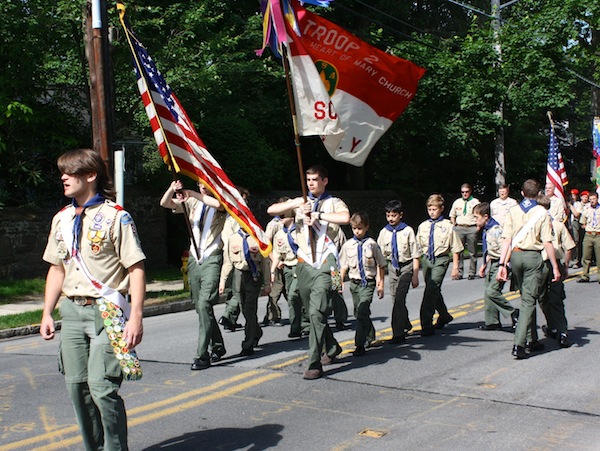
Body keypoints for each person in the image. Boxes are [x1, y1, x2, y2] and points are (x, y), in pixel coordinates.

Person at [40, 148, 146, 450]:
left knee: (102, 389)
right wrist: (47, 312)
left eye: (70, 172)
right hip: (72, 311)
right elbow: (56, 269)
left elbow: (136, 269)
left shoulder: (116, 217)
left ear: (90, 175)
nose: (63, 177)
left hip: (108, 310)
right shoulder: (61, 219)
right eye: (63, 172)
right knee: (76, 388)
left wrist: (136, 317)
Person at [267, 165, 350, 380]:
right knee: (313, 312)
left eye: (315, 179)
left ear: (325, 181)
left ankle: (314, 362)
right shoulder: (300, 201)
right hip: (304, 261)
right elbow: (271, 210)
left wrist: (318, 214)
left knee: (316, 312)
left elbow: (345, 218)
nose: (311, 183)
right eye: (308, 179)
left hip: (325, 260)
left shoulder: (334, 202)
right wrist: (296, 204)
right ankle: (331, 347)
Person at [160, 179, 227, 370]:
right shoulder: (192, 203)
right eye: (200, 185)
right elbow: (166, 203)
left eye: (206, 184)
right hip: (195, 258)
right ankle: (218, 345)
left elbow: (219, 205)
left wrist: (193, 193)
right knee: (200, 307)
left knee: (205, 303)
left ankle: (202, 355)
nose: (203, 187)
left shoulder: (219, 201)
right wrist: (171, 189)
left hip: (212, 257)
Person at [497, 179, 561, 360]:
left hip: (515, 256)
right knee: (528, 301)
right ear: (538, 194)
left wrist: (502, 264)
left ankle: (532, 338)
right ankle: (519, 344)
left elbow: (506, 240)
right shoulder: (542, 212)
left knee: (526, 296)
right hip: (533, 256)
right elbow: (547, 242)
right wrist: (555, 266)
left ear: (522, 193)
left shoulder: (513, 210)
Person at [339, 212, 386, 356]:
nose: (357, 231)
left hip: (368, 283)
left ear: (367, 227)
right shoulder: (348, 245)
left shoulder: (372, 244)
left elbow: (381, 264)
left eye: (360, 228)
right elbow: (342, 266)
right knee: (359, 312)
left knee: (362, 311)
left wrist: (381, 283)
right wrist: (338, 282)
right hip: (354, 284)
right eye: (354, 228)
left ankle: (359, 344)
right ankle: (370, 335)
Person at [219, 227, 271, 356]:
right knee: (243, 309)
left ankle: (248, 345)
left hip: (253, 276)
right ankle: (256, 332)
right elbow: (227, 262)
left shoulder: (258, 237)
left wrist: (267, 283)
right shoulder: (233, 238)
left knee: (249, 309)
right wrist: (222, 281)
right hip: (238, 275)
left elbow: (265, 262)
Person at [416, 194, 463, 336]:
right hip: (427, 260)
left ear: (441, 209)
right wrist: (416, 268)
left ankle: (426, 324)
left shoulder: (448, 226)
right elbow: (417, 248)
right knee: (434, 290)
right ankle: (444, 315)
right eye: (429, 209)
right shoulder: (423, 226)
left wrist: (455, 267)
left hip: (441, 259)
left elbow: (456, 248)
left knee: (431, 290)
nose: (431, 212)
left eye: (434, 209)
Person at [376, 200, 420, 343]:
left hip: (406, 267)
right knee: (396, 300)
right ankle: (405, 323)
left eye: (394, 215)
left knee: (399, 299)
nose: (390, 218)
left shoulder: (408, 231)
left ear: (401, 215)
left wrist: (415, 275)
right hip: (392, 268)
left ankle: (398, 333)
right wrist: (380, 280)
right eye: (388, 215)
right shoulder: (384, 233)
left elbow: (415, 254)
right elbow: (379, 258)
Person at [537, 195, 575, 348]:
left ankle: (559, 329)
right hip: (554, 264)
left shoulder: (535, 224)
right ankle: (558, 328)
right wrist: (565, 265)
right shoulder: (558, 224)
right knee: (554, 298)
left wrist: (564, 266)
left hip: (542, 264)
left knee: (545, 297)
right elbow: (570, 247)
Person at [473, 202, 517, 330]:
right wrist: (484, 265)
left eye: (476, 217)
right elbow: (491, 250)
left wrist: (504, 266)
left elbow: (506, 248)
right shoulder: (487, 230)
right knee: (488, 292)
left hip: (501, 263)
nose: (475, 220)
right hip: (493, 262)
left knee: (493, 291)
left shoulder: (497, 230)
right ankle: (492, 321)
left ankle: (514, 313)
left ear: (485, 216)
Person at [269, 212, 309, 338]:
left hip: (300, 266)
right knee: (293, 299)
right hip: (287, 268)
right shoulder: (279, 234)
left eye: (283, 216)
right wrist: (272, 270)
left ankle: (305, 324)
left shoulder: (300, 231)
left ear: (292, 216)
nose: (280, 218)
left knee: (294, 295)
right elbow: (277, 254)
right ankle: (296, 327)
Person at [218, 186, 250, 331]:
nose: (245, 202)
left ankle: (231, 319)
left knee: (234, 287)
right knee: (240, 288)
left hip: (231, 252)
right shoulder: (235, 216)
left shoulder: (231, 214)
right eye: (242, 198)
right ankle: (228, 315)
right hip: (236, 254)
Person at [449, 183, 480, 279]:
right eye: (463, 192)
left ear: (470, 191)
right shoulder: (457, 202)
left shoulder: (475, 202)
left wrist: (477, 227)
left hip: (471, 228)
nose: (465, 194)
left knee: (472, 252)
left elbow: (480, 216)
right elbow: (452, 215)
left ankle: (472, 272)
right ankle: (459, 272)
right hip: (460, 228)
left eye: (466, 192)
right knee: (458, 251)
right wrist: (454, 225)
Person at [577, 191, 600, 283]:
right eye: (590, 199)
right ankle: (585, 275)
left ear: (597, 199)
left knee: (599, 257)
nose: (592, 201)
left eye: (594, 199)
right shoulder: (586, 209)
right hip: (589, 234)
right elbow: (582, 222)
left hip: (598, 235)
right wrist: (586, 227)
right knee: (586, 256)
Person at [566, 188, 583, 266]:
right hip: (567, 222)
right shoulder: (566, 203)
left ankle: (576, 259)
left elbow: (576, 214)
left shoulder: (578, 204)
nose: (573, 197)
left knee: (575, 241)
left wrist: (570, 206)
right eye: (571, 195)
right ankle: (568, 259)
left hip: (575, 223)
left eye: (574, 195)